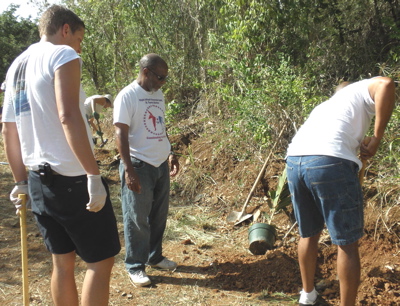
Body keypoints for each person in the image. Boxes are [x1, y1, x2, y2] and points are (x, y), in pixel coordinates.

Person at [1, 5, 121, 306]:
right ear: (65, 29)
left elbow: (9, 129)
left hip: (39, 180)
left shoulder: (18, 64)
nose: (79, 47)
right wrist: (93, 174)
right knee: (100, 262)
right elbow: (66, 116)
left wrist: (21, 181)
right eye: (79, 39)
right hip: (72, 177)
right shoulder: (63, 55)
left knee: (62, 262)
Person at [285, 76, 395, 305]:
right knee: (347, 243)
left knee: (308, 233)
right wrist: (376, 139)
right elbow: (387, 85)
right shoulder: (361, 90)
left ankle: (308, 296)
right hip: (329, 161)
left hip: (295, 160)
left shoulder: (327, 106)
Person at [113, 53, 179, 287]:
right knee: (137, 218)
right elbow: (120, 133)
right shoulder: (127, 96)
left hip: (160, 163)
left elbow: (160, 124)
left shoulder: (157, 94)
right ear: (146, 72)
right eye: (160, 77)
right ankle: (135, 265)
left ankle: (154, 256)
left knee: (158, 215)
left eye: (165, 79)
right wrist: (129, 170)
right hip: (139, 164)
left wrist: (170, 152)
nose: (163, 83)